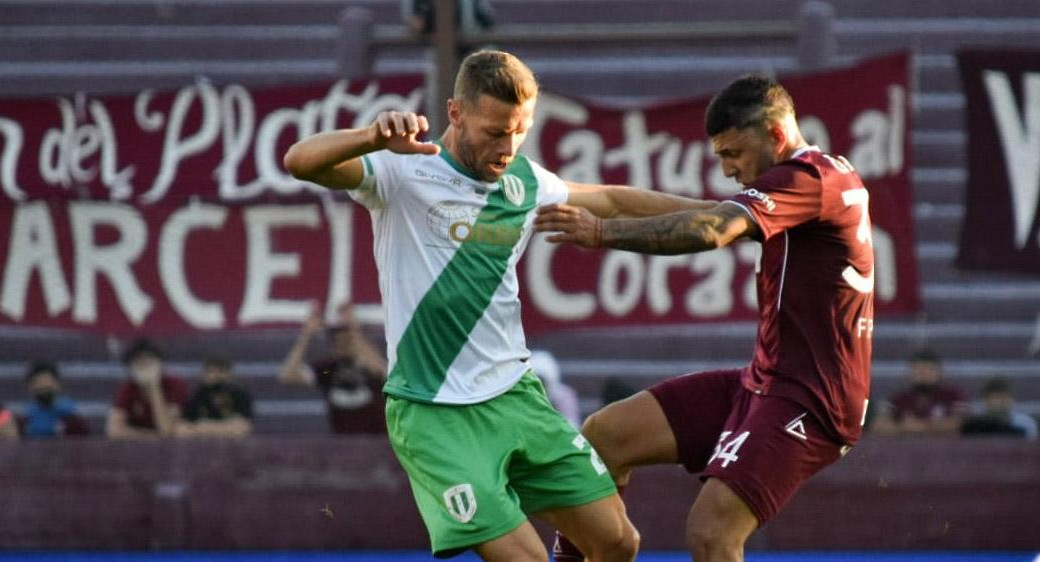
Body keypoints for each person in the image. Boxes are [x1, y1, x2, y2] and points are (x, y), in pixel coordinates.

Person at [284, 49, 705, 561]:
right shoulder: (402, 170)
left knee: (618, 542)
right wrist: (371, 136)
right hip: (433, 413)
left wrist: (732, 215)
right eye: (495, 131)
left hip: (515, 397)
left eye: (520, 129)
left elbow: (614, 200)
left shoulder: (523, 183)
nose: (508, 145)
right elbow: (300, 161)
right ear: (455, 113)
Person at [535, 74, 875, 561]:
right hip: (765, 382)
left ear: (776, 135)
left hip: (811, 400)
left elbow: (711, 228)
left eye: (733, 153)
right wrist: (564, 194)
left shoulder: (809, 179)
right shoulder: (801, 184)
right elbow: (703, 212)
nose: (728, 169)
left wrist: (601, 232)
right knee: (605, 436)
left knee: (712, 533)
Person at [280, 301, 389, 434]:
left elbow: (380, 371)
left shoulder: (367, 365)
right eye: (338, 340)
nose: (342, 344)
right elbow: (288, 376)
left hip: (377, 439)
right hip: (342, 443)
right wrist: (306, 335)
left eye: (347, 339)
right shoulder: (328, 370)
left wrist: (355, 332)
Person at [106, 338, 189, 439]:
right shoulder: (129, 388)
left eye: (149, 362)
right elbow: (114, 430)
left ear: (159, 364)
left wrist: (154, 386)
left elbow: (166, 429)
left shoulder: (174, 385)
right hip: (141, 446)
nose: (145, 366)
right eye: (139, 362)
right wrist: (152, 437)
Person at [871, 349, 968, 436]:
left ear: (939, 372)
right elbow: (878, 425)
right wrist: (904, 428)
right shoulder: (899, 398)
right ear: (910, 372)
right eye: (919, 369)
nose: (924, 374)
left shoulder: (953, 395)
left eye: (929, 369)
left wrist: (919, 426)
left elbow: (959, 424)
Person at [177, 357, 254, 438]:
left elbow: (243, 427)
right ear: (204, 374)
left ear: (230, 375)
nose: (216, 376)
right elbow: (183, 427)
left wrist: (207, 427)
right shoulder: (199, 394)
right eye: (211, 372)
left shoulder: (240, 394)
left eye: (220, 372)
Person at [20, 361, 90, 438]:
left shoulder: (72, 419)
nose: (44, 386)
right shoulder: (26, 419)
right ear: (30, 387)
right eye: (39, 383)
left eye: (48, 384)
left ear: (58, 385)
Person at [960, 376, 1038, 439]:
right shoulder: (974, 426)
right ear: (985, 400)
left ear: (1011, 398)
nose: (1001, 402)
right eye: (996, 398)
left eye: (1004, 397)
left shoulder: (1026, 423)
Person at [531, 349, 582, 427]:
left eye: (542, 381)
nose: (539, 385)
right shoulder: (521, 396)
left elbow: (572, 428)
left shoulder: (564, 397)